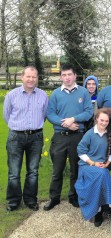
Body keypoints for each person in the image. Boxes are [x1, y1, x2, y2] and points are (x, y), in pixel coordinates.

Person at [44, 63, 94, 211]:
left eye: (69, 75)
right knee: (57, 169)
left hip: (77, 137)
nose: (67, 78)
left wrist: (73, 119)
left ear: (74, 76)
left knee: (75, 169)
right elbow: (50, 114)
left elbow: (88, 112)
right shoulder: (55, 94)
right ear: (61, 77)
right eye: (64, 75)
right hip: (60, 136)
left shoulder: (83, 92)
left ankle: (74, 196)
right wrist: (66, 123)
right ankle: (54, 198)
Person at [3, 66, 48, 212]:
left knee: (33, 171)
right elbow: (6, 115)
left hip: (36, 137)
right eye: (28, 76)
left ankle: (30, 200)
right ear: (22, 77)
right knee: (14, 172)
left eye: (34, 77)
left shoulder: (43, 95)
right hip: (16, 136)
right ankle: (13, 201)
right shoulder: (12, 95)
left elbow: (45, 115)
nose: (31, 79)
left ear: (37, 78)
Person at [75, 108, 111, 227]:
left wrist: (107, 163)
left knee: (101, 175)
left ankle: (99, 211)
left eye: (106, 121)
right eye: (101, 120)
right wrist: (93, 163)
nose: (104, 123)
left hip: (103, 166)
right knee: (102, 174)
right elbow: (80, 151)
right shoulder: (90, 134)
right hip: (87, 166)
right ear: (96, 119)